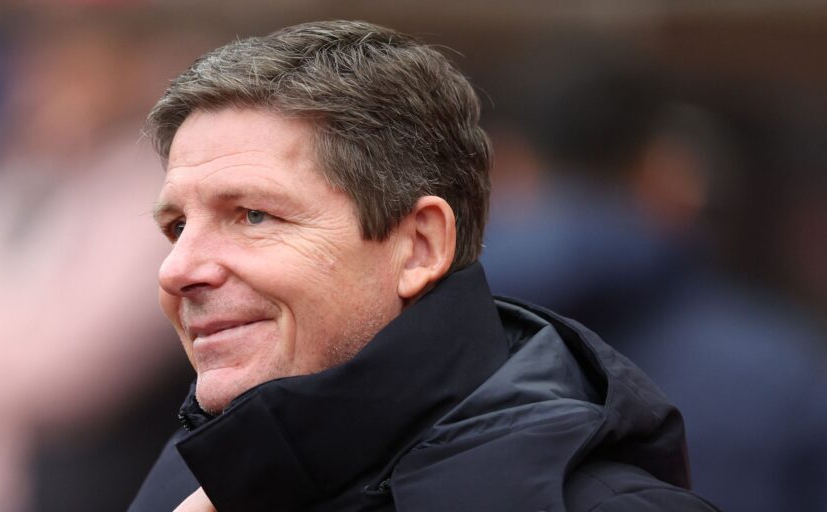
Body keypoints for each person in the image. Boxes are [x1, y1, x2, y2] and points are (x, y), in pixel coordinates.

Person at [129, 20, 719, 512]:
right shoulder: (193, 478)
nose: (178, 270)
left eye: (253, 215)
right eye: (177, 227)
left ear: (419, 246)